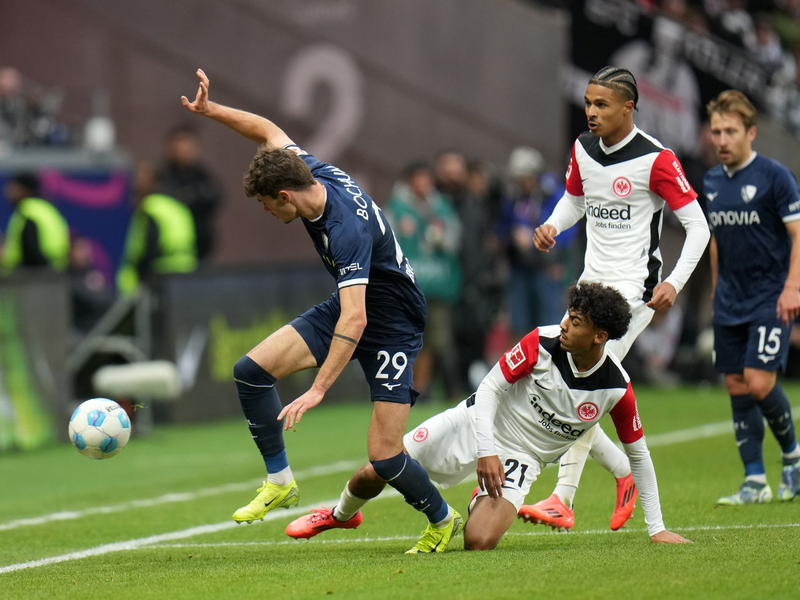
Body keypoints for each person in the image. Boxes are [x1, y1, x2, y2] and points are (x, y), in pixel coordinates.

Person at [180, 69, 463, 554]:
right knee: (251, 371)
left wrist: (317, 390)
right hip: (354, 304)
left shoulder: (344, 229)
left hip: (392, 322)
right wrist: (212, 111)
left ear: (285, 195)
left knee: (385, 454)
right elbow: (268, 131)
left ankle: (442, 519)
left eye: (269, 205)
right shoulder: (310, 171)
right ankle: (281, 481)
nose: (268, 211)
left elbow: (357, 321)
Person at [284, 283, 692, 549]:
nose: (565, 325)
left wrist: (656, 528)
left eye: (577, 322)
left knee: (478, 541)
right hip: (476, 424)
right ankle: (339, 515)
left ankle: (474, 506)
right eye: (568, 315)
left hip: (523, 461)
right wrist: (486, 450)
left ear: (600, 337)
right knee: (377, 469)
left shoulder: (615, 388)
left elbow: (639, 455)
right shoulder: (541, 342)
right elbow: (490, 390)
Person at [524, 66, 710, 530]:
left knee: (581, 382)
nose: (591, 112)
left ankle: (563, 498)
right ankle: (623, 472)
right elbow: (575, 201)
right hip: (590, 285)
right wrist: (552, 224)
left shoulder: (657, 160)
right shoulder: (583, 149)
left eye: (601, 104)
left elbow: (699, 228)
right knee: (578, 381)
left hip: (633, 292)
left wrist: (675, 282)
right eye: (588, 103)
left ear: (629, 107)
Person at [704, 89, 800, 504]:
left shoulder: (775, 176)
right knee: (736, 384)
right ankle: (755, 481)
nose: (721, 140)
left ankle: (793, 459)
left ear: (751, 133)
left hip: (770, 296)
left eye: (730, 131)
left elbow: (798, 235)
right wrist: (715, 291)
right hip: (729, 300)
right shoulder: (709, 182)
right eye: (716, 132)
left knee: (759, 381)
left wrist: (793, 287)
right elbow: (714, 243)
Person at [386, 162, 462, 400]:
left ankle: (419, 388)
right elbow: (383, 241)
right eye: (418, 179)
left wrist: (441, 240)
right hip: (406, 285)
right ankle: (400, 386)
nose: (423, 184)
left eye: (426, 179)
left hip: (437, 284)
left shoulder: (441, 206)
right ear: (409, 181)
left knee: (433, 341)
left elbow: (456, 239)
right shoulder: (395, 208)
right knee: (405, 338)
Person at [116, 162, 198, 294]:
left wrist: (137, 278)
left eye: (140, 179)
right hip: (186, 276)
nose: (135, 184)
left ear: (152, 182)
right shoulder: (178, 207)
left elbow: (146, 248)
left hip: (158, 278)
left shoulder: (149, 207)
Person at [157, 125, 223, 262]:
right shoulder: (161, 178)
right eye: (178, 143)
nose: (182, 149)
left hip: (200, 249)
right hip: (167, 252)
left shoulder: (204, 177)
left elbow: (215, 198)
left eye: (187, 143)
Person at [1, 173, 70, 275]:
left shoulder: (28, 211)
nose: (8, 192)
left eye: (13, 188)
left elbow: (31, 249)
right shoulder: (48, 209)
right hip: (55, 273)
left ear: (22, 189)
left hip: (34, 279)